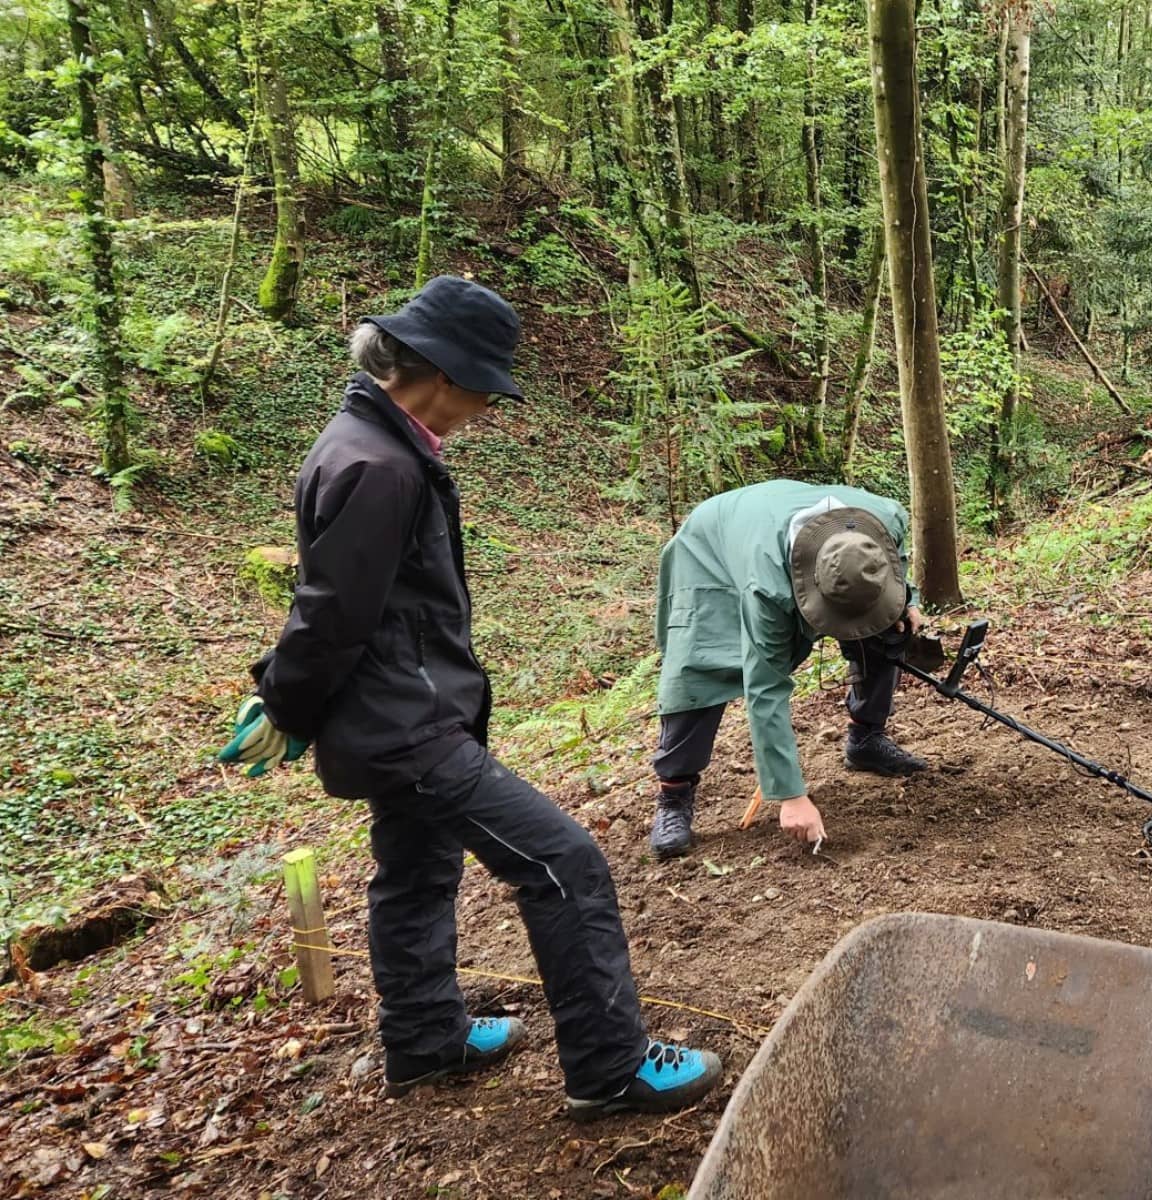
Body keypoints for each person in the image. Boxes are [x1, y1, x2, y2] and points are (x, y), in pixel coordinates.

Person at [218, 276, 721, 1119]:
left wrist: (292, 698)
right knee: (564, 863)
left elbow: (350, 601)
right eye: (484, 388)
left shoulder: (365, 441)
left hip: (395, 714)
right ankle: (610, 1066)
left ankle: (424, 1041)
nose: (487, 407)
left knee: (416, 871)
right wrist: (283, 703)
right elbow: (333, 613)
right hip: (407, 727)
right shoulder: (380, 466)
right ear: (441, 376)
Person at [649, 480, 927, 860]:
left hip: (776, 531)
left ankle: (866, 739)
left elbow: (894, 562)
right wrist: (791, 796)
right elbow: (765, 688)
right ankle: (674, 795)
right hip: (710, 554)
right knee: (698, 668)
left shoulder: (884, 517)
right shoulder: (766, 587)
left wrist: (905, 597)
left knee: (885, 628)